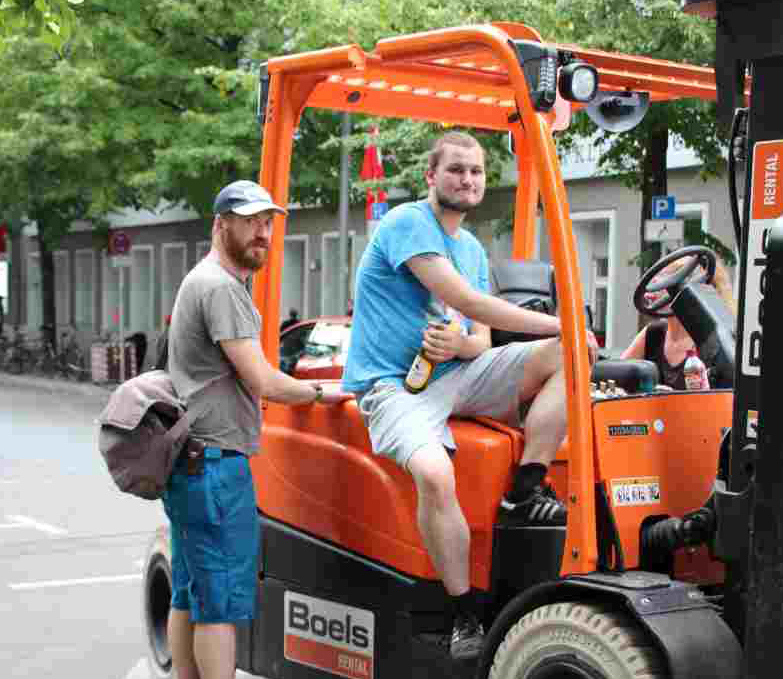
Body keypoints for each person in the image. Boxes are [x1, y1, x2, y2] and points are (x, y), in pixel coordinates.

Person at [342, 132, 597, 661]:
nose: (468, 179)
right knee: (435, 474)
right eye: (456, 169)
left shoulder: (473, 248)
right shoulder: (409, 223)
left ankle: (527, 486)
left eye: (477, 171)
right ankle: (463, 614)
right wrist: (567, 321)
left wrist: (462, 342)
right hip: (396, 385)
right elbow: (463, 298)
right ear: (431, 177)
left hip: (456, 375)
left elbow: (478, 334)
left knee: (572, 358)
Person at [166, 179, 351, 679]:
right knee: (219, 605)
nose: (262, 232)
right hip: (214, 469)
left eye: (267, 223)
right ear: (219, 224)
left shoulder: (204, 280)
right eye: (250, 221)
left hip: (191, 464)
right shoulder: (221, 287)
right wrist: (320, 393)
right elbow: (262, 378)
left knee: (190, 591)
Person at [621, 254, 736, 389]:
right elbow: (616, 372)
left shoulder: (710, 340)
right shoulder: (654, 333)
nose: (651, 293)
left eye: (661, 285)